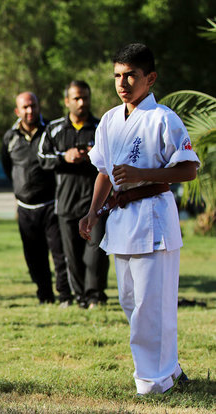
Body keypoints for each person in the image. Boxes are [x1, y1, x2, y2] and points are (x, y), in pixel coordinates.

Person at [79, 43, 198, 395]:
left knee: (151, 304)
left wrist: (139, 172)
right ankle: (170, 367)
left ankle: (154, 381)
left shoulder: (163, 118)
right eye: (117, 75)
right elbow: (103, 171)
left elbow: (189, 169)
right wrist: (90, 212)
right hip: (120, 219)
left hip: (153, 216)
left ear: (150, 78)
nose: (123, 82)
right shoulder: (111, 120)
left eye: (131, 75)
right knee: (131, 302)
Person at [38, 80, 109, 309]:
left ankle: (95, 296)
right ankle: (79, 297)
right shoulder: (55, 129)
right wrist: (64, 157)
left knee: (96, 253)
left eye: (85, 98)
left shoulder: (101, 127)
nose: (82, 103)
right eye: (76, 98)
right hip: (66, 203)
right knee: (73, 256)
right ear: (67, 101)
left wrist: (93, 156)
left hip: (95, 203)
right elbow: (41, 158)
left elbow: (114, 159)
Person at [1, 92, 72, 306]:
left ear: (39, 106)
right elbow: (7, 167)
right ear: (17, 111)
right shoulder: (10, 137)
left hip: (51, 205)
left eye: (33, 106)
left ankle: (65, 296)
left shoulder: (50, 131)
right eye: (25, 107)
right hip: (25, 208)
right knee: (34, 257)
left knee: (59, 255)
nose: (29, 111)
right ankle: (45, 295)